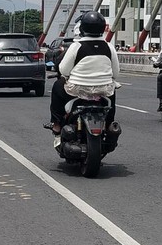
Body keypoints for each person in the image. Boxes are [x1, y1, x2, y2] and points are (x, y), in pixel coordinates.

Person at [48, 11, 120, 149]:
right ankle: (110, 123)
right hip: (103, 91)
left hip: (77, 90)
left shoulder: (76, 46)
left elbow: (63, 70)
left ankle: (56, 124)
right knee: (113, 89)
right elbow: (115, 73)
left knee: (57, 86)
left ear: (82, 28)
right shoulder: (109, 47)